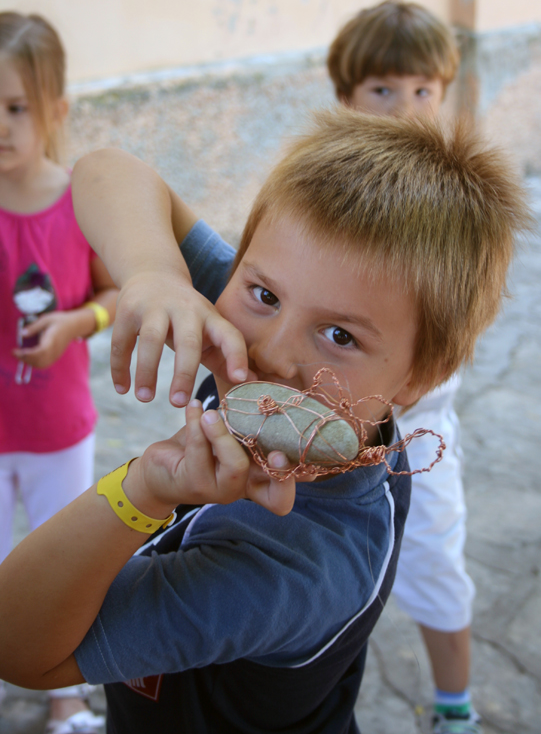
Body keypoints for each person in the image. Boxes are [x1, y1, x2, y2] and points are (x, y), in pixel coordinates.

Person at [0, 109, 531, 734]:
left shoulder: (301, 568)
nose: (272, 351)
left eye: (340, 336)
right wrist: (155, 272)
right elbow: (104, 171)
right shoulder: (268, 325)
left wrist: (142, 489)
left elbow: (18, 648)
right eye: (266, 295)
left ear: (418, 379)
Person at [328, 0, 478, 733]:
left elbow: (463, 321)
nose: (404, 108)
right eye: (382, 88)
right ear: (345, 97)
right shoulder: (319, 192)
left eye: (423, 90)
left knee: (436, 570)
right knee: (319, 581)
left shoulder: (457, 202)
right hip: (322, 433)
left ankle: (455, 707)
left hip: (417, 436)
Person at [0, 12, 118, 734]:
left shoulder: (82, 202)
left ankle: (64, 696)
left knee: (61, 570)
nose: (0, 125)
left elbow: (116, 293)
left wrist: (77, 324)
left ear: (56, 110)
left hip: (58, 429)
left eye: (15, 107)